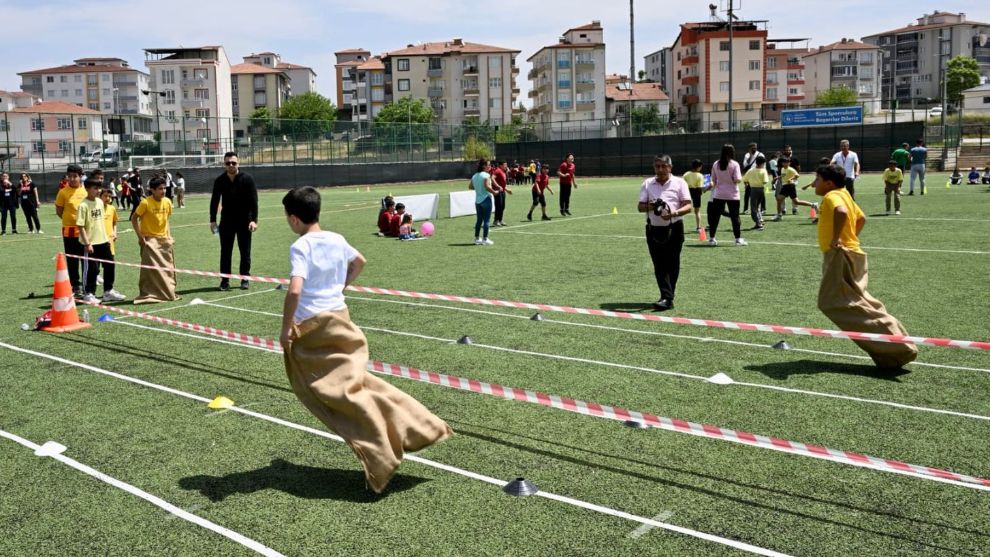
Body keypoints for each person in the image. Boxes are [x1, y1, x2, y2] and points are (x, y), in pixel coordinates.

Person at [278, 186, 451, 493]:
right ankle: (421, 426)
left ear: (293, 219)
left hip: (314, 331)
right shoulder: (336, 239)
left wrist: (285, 328)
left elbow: (294, 290)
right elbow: (360, 261)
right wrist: (339, 288)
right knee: (360, 384)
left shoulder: (301, 246)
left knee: (334, 394)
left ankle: (382, 453)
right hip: (341, 319)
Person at [813, 164, 917, 370]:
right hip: (852, 252)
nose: (814, 183)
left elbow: (841, 212)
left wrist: (836, 240)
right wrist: (850, 238)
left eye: (817, 179)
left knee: (830, 302)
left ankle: (896, 345)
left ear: (829, 183)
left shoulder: (833, 196)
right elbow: (861, 218)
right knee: (861, 299)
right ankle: (892, 350)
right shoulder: (845, 193)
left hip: (840, 254)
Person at [638, 155, 692, 311]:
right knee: (659, 264)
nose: (660, 169)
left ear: (670, 167)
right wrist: (651, 205)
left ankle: (667, 296)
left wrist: (673, 213)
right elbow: (640, 207)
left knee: (673, 263)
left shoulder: (679, 183)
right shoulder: (647, 183)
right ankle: (667, 297)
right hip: (653, 230)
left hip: (674, 228)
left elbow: (688, 206)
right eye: (657, 166)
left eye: (663, 166)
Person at [210, 152, 259, 291]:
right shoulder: (220, 180)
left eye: (233, 162)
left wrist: (254, 220)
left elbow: (254, 201)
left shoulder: (248, 179)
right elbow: (214, 201)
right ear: (224, 165)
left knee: (245, 252)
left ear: (238, 164)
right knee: (225, 252)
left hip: (245, 221)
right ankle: (225, 281)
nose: (231, 165)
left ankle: (245, 279)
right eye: (228, 163)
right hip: (226, 222)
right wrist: (213, 220)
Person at [77, 179, 125, 303]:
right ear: (86, 189)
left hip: (103, 241)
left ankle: (108, 292)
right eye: (95, 188)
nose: (98, 191)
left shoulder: (99, 201)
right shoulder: (83, 205)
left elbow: (101, 223)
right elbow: (80, 226)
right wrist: (87, 243)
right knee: (92, 269)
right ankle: (89, 293)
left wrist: (108, 237)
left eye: (99, 188)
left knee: (110, 265)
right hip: (90, 243)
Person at [131, 177, 178, 304]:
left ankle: (167, 292)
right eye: (160, 189)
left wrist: (169, 236)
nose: (163, 191)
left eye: (164, 188)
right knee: (150, 270)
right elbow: (134, 219)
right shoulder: (145, 203)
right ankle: (149, 293)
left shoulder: (167, 202)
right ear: (152, 190)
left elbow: (166, 220)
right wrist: (140, 238)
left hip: (164, 240)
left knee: (167, 268)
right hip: (149, 240)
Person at [55, 164, 88, 296]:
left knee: (86, 259)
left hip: (85, 231)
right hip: (69, 231)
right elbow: (59, 211)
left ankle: (87, 285)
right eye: (70, 176)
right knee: (72, 260)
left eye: (75, 176)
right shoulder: (63, 192)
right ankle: (76, 285)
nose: (72, 179)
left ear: (81, 177)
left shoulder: (86, 192)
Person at [707, 144, 746, 246]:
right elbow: (737, 179)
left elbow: (713, 180)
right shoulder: (734, 164)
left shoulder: (716, 164)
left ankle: (712, 239)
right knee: (735, 217)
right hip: (732, 195)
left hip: (718, 194)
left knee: (715, 217)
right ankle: (737, 239)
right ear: (732, 152)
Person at [469, 158, 496, 245]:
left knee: (479, 220)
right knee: (487, 220)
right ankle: (485, 238)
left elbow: (470, 187)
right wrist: (494, 192)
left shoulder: (475, 176)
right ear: (484, 166)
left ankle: (477, 238)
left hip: (478, 201)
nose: (490, 166)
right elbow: (487, 186)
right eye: (488, 165)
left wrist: (478, 188)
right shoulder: (486, 175)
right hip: (486, 199)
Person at [743, 155, 770, 230]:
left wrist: (747, 184)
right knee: (757, 206)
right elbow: (765, 181)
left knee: (753, 208)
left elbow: (745, 179)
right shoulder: (764, 170)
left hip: (753, 190)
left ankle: (758, 223)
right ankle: (759, 220)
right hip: (761, 190)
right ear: (763, 163)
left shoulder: (751, 170)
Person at [740, 143, 764, 214]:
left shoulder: (760, 154)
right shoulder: (747, 155)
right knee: (747, 193)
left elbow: (764, 165)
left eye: (755, 148)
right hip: (750, 175)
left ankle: (763, 209)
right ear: (749, 148)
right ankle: (746, 209)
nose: (754, 149)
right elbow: (745, 164)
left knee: (760, 193)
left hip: (758, 175)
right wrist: (750, 156)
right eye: (752, 148)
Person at [682, 159, 705, 232]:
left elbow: (682, 184)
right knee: (697, 211)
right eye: (700, 167)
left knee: (682, 209)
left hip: (687, 191)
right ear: (698, 167)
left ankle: (679, 225)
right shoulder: (700, 175)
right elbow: (700, 188)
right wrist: (706, 189)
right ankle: (698, 227)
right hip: (696, 192)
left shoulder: (686, 174)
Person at [491, 160, 511, 227]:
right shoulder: (497, 170)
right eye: (505, 165)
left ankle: (500, 220)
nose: (506, 166)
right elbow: (492, 178)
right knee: (498, 206)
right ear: (500, 165)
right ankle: (495, 221)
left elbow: (502, 184)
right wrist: (498, 186)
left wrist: (507, 190)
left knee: (502, 206)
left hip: (502, 192)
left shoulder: (503, 172)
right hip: (497, 192)